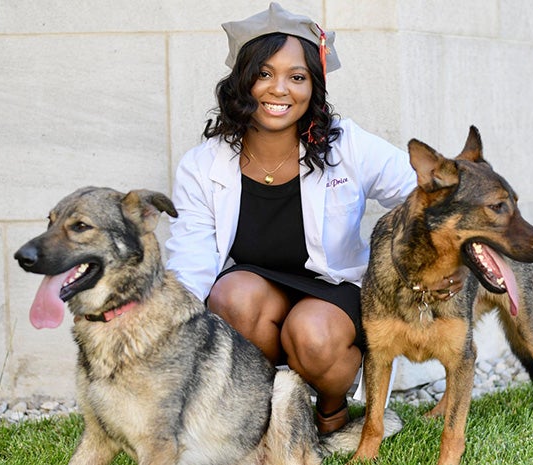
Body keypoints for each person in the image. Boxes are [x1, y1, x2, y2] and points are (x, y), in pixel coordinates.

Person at [166, 2, 464, 434]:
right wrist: (167, 330)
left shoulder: (348, 145)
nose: (279, 89)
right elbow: (191, 259)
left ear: (313, 86)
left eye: (297, 77)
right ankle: (266, 414)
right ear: (242, 81)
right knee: (231, 296)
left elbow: (425, 194)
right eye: (264, 74)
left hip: (332, 289)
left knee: (312, 332)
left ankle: (330, 410)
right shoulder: (202, 165)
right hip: (254, 286)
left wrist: (436, 264)